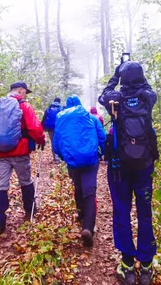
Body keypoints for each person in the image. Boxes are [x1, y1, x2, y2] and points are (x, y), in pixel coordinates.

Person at [99, 61, 158, 285]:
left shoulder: (115, 98)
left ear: (122, 78)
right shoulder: (147, 96)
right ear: (142, 77)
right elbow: (148, 87)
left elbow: (104, 93)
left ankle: (126, 265)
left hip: (119, 167)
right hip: (144, 165)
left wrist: (116, 75)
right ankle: (146, 265)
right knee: (144, 213)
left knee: (122, 212)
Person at [0, 81, 46, 236]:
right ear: (21, 90)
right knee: (25, 181)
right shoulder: (24, 106)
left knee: (1, 186)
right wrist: (41, 140)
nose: (26, 95)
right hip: (20, 152)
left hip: (0, 154)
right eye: (26, 92)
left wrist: (0, 142)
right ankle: (29, 210)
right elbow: (34, 128)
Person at [53, 95, 106, 247]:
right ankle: (88, 227)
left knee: (78, 187)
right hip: (90, 160)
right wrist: (101, 153)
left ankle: (81, 213)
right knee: (90, 192)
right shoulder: (90, 117)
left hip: (72, 161)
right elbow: (101, 137)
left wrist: (65, 157)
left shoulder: (61, 119)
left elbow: (56, 144)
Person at [41, 97, 62, 163]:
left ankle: (55, 158)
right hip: (58, 128)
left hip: (50, 129)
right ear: (59, 102)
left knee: (53, 142)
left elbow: (44, 118)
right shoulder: (61, 109)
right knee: (59, 142)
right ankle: (59, 158)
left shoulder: (49, 108)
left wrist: (42, 128)